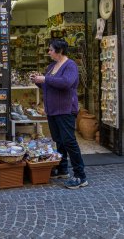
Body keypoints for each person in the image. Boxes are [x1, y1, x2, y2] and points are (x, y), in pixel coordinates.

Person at [31, 39, 88, 189]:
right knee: (59, 140)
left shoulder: (70, 66)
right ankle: (62, 169)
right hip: (53, 110)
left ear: (60, 51)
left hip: (65, 109)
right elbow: (48, 85)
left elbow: (66, 83)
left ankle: (80, 176)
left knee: (69, 141)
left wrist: (46, 78)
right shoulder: (52, 66)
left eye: (50, 49)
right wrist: (38, 80)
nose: (48, 52)